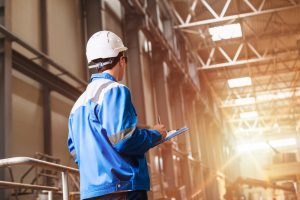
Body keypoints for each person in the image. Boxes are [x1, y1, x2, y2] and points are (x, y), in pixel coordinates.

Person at [67, 31, 167, 200]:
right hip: (123, 189)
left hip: (91, 192)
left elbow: (75, 151)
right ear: (121, 60)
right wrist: (156, 134)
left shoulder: (78, 104)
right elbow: (124, 139)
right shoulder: (114, 90)